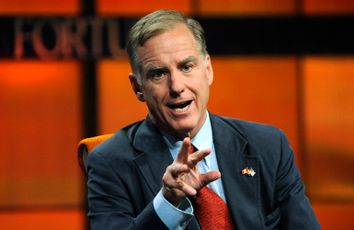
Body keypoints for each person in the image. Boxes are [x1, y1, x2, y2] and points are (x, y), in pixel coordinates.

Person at [86, 9, 320, 230]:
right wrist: (167, 202)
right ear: (138, 87)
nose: (177, 86)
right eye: (159, 73)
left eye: (186, 67)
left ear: (208, 69)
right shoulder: (110, 163)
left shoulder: (268, 145)